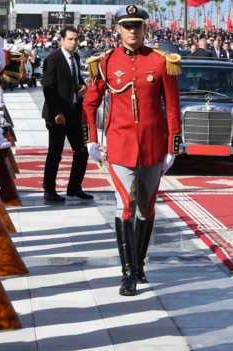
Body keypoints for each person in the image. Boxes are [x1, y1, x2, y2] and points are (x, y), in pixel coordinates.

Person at [82, 5, 181, 296]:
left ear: (144, 28)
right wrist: (90, 141)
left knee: (146, 208)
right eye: (127, 26)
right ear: (118, 29)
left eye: (137, 25)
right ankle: (127, 274)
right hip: (120, 146)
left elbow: (173, 107)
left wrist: (173, 146)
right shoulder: (105, 62)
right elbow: (90, 104)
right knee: (124, 207)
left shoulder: (162, 61)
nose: (132, 31)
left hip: (153, 146)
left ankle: (139, 266)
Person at [41, 26, 90, 202]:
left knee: (82, 151)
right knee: (55, 152)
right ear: (61, 40)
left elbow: (77, 79)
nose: (74, 42)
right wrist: (56, 113)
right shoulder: (52, 59)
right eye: (70, 39)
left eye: (76, 39)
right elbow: (48, 89)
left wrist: (83, 86)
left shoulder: (76, 57)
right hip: (58, 114)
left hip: (74, 112)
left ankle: (75, 187)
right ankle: (49, 189)